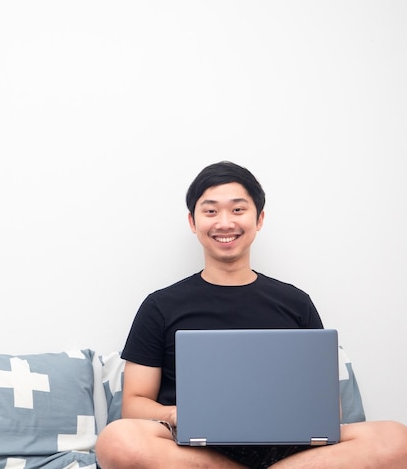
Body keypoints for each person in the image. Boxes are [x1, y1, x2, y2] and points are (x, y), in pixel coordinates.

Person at [95, 161, 407, 468]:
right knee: (117, 441)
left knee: (397, 439)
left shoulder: (296, 303)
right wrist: (179, 414)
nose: (225, 222)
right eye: (211, 211)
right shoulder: (160, 306)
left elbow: (328, 408)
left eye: (238, 209)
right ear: (193, 222)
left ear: (259, 219)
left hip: (290, 450)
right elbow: (134, 404)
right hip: (194, 451)